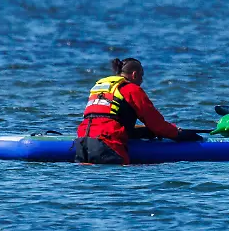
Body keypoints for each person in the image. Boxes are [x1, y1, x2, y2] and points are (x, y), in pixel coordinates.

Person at [74, 57, 202, 164]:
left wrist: (144, 132)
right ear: (135, 74)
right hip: (107, 145)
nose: (142, 81)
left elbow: (106, 119)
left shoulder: (100, 88)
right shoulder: (131, 89)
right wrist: (180, 134)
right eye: (141, 77)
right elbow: (157, 124)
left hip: (82, 143)